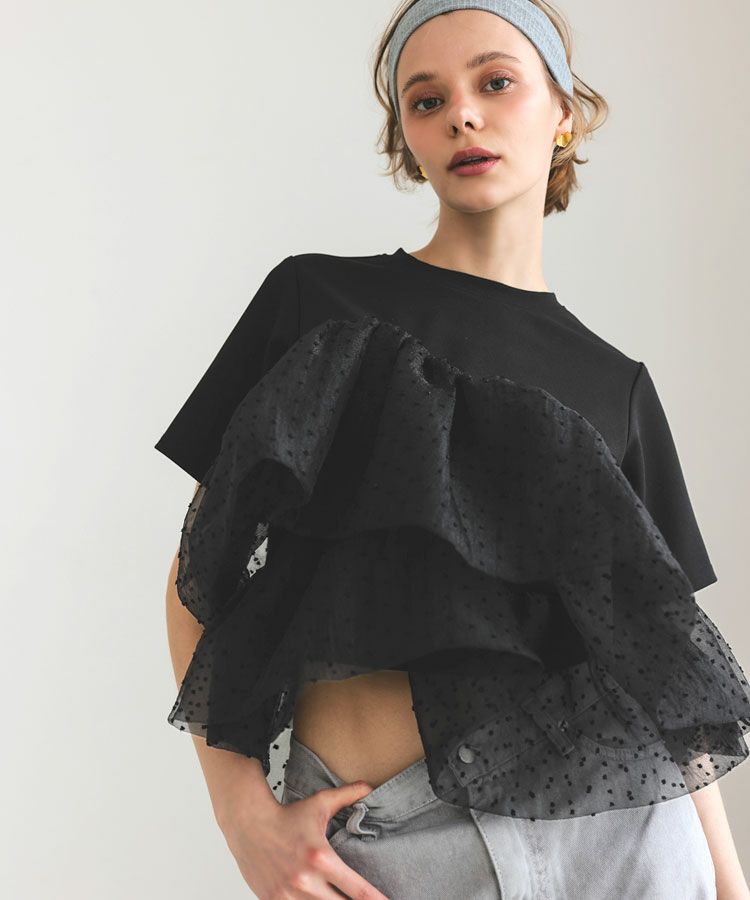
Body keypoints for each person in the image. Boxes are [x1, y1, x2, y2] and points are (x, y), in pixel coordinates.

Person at [156, 2, 750, 897]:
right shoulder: (318, 301)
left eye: (496, 82)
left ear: (564, 113)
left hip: (622, 835)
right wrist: (242, 817)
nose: (462, 114)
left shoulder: (615, 384)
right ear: (408, 138)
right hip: (392, 840)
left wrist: (730, 882)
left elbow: (660, 662)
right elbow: (196, 578)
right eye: (426, 100)